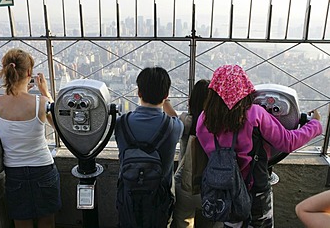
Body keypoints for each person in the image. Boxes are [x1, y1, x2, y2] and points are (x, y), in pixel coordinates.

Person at [196, 64, 322, 228]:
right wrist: (315, 124)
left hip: (223, 188)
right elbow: (288, 142)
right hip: (256, 189)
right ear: (243, 87)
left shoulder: (203, 120)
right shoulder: (254, 114)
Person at [0, 48, 60, 228]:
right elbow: (59, 125)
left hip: (14, 172)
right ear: (29, 73)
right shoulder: (41, 103)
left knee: (22, 223)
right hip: (43, 168)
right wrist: (45, 92)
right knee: (47, 222)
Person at [115, 66, 184, 227]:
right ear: (166, 95)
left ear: (139, 93)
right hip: (159, 201)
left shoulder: (121, 123)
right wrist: (166, 102)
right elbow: (177, 120)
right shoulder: (173, 127)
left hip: (127, 198)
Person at [171, 79, 214, 228]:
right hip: (212, 185)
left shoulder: (186, 121)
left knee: (183, 220)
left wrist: (165, 101)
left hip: (185, 183)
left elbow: (172, 119)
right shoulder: (218, 124)